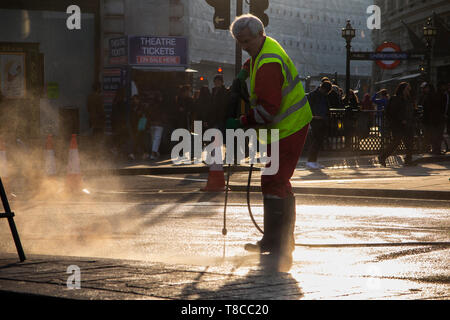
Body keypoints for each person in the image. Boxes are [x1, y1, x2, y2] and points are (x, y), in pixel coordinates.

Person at [227, 14, 312, 269]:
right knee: (278, 180)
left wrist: (241, 122)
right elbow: (254, 62)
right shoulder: (263, 51)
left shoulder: (268, 63)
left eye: (247, 42)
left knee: (273, 180)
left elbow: (268, 110)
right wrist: (244, 72)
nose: (244, 47)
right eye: (240, 43)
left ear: (259, 35)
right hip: (285, 127)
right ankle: (280, 239)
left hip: (288, 127)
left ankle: (276, 241)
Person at [378, 82, 416, 167]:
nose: (409, 90)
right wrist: (401, 119)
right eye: (407, 88)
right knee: (396, 142)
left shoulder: (408, 98)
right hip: (398, 125)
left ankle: (408, 160)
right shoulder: (396, 98)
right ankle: (382, 157)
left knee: (409, 143)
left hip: (408, 124)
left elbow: (411, 110)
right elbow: (391, 112)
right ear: (403, 89)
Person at [305, 80, 332, 170]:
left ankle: (313, 161)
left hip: (320, 119)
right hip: (316, 120)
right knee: (316, 141)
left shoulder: (317, 95)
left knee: (318, 141)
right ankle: (311, 161)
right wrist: (313, 116)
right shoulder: (314, 95)